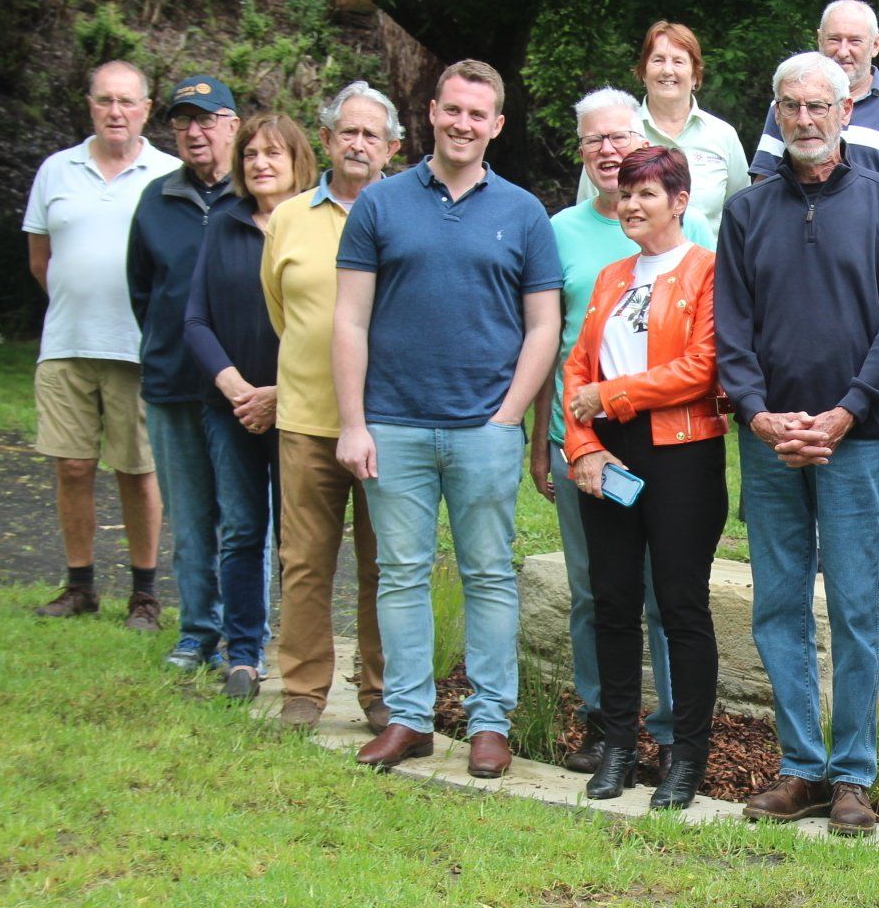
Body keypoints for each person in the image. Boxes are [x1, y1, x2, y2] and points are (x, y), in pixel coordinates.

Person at [717, 52, 879, 836]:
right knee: (777, 605)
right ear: (776, 113)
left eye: (819, 106)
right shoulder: (746, 212)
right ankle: (800, 766)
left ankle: (853, 776)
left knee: (855, 606)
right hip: (769, 440)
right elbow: (730, 327)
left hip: (856, 440)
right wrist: (759, 413)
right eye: (790, 106)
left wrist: (843, 414)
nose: (804, 119)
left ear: (845, 112)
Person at [334, 60, 563, 779]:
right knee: (399, 573)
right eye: (453, 110)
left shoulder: (523, 213)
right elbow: (349, 319)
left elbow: (543, 327)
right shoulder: (379, 204)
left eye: (479, 114)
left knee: (489, 574)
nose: (464, 124)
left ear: (496, 125)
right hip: (393, 422)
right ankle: (409, 718)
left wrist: (507, 418)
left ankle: (490, 724)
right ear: (431, 113)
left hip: (482, 429)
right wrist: (353, 421)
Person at [534, 89, 715, 781]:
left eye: (647, 193)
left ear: (678, 200)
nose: (633, 205)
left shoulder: (704, 270)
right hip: (607, 455)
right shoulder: (610, 276)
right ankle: (616, 747)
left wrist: (612, 396)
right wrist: (581, 447)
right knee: (610, 599)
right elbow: (574, 365)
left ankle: (685, 755)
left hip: (681, 456)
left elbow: (700, 368)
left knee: (680, 605)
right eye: (626, 193)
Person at [263, 80, 402, 731]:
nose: (358, 142)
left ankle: (379, 691)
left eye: (371, 133)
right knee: (305, 560)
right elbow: (281, 308)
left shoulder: (407, 213)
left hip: (391, 423)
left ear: (393, 147)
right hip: (307, 421)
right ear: (325, 139)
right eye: (347, 130)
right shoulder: (288, 218)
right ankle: (303, 687)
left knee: (387, 565)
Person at [24, 60, 178, 627]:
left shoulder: (169, 175)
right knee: (70, 466)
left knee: (138, 471)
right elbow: (41, 261)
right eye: (105, 100)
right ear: (90, 104)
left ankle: (144, 593)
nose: (116, 112)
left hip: (138, 347)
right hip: (66, 342)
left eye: (127, 102)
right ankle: (80, 585)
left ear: (146, 107)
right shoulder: (55, 171)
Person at [183, 113, 316, 700]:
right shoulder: (224, 224)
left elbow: (331, 322)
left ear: (298, 162)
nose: (260, 163)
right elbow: (195, 318)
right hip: (232, 407)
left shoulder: (319, 224)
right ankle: (243, 653)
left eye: (273, 154)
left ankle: (298, 656)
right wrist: (237, 388)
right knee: (241, 529)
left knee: (299, 540)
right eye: (251, 154)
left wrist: (279, 394)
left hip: (302, 407)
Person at [128, 75, 241, 671]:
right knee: (191, 518)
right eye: (183, 122)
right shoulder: (156, 199)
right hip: (173, 383)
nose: (195, 132)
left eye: (206, 118)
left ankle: (247, 635)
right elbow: (143, 292)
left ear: (232, 125)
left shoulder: (256, 195)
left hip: (243, 389)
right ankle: (198, 631)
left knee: (246, 520)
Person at [749, 0, 879, 232]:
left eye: (855, 41)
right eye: (834, 39)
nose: (843, 51)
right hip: (797, 245)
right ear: (819, 40)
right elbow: (763, 183)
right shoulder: (790, 106)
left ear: (875, 44)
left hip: (875, 253)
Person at [634, 22, 750, 239]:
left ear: (696, 75)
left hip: (710, 270)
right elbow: (592, 212)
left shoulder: (723, 135)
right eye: (658, 60)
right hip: (633, 270)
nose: (667, 70)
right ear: (643, 72)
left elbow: (743, 215)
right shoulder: (620, 134)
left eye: (678, 61)